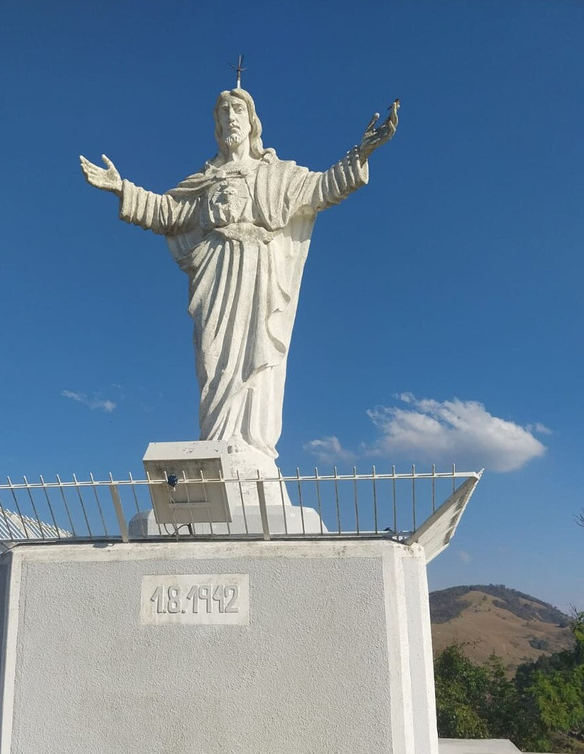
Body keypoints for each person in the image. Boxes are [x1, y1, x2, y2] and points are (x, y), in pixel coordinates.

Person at [81, 86, 398, 469]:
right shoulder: (205, 180)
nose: (230, 117)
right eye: (223, 112)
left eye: (237, 111)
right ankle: (216, 439)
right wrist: (121, 187)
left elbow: (321, 189)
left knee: (255, 354)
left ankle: (254, 447)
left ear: (251, 123)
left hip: (259, 269)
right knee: (212, 358)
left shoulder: (276, 174)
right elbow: (165, 213)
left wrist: (360, 154)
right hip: (215, 270)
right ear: (217, 126)